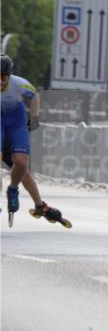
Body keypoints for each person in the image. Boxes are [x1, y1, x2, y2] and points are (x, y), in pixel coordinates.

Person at [0, 54, 67, 226]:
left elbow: (35, 94)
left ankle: (28, 199)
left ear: (10, 75)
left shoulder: (18, 83)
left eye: (4, 77)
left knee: (21, 164)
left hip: (16, 122)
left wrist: (35, 117)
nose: (0, 81)